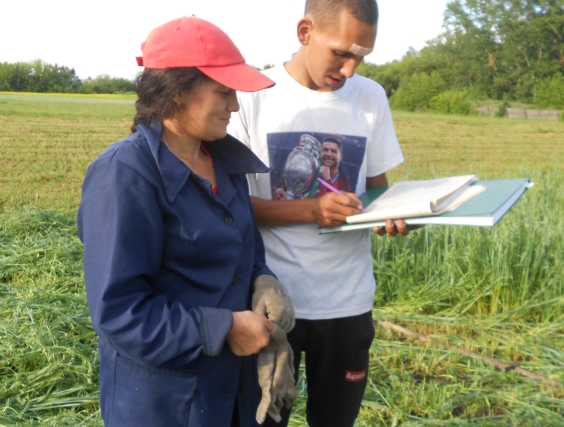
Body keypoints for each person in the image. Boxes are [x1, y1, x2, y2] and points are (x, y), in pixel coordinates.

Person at [77, 17, 296, 427]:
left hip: (235, 394)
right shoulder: (125, 174)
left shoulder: (226, 164)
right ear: (176, 92)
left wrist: (263, 280)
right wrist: (223, 327)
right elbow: (120, 314)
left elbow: (246, 254)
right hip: (165, 405)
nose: (234, 105)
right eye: (223, 91)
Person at [228, 1, 418, 426]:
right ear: (304, 31)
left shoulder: (370, 97)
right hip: (273, 305)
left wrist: (396, 215)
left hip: (348, 304)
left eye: (361, 57)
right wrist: (311, 209)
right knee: (265, 420)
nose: (349, 69)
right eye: (341, 53)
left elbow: (377, 192)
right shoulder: (250, 96)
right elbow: (233, 210)